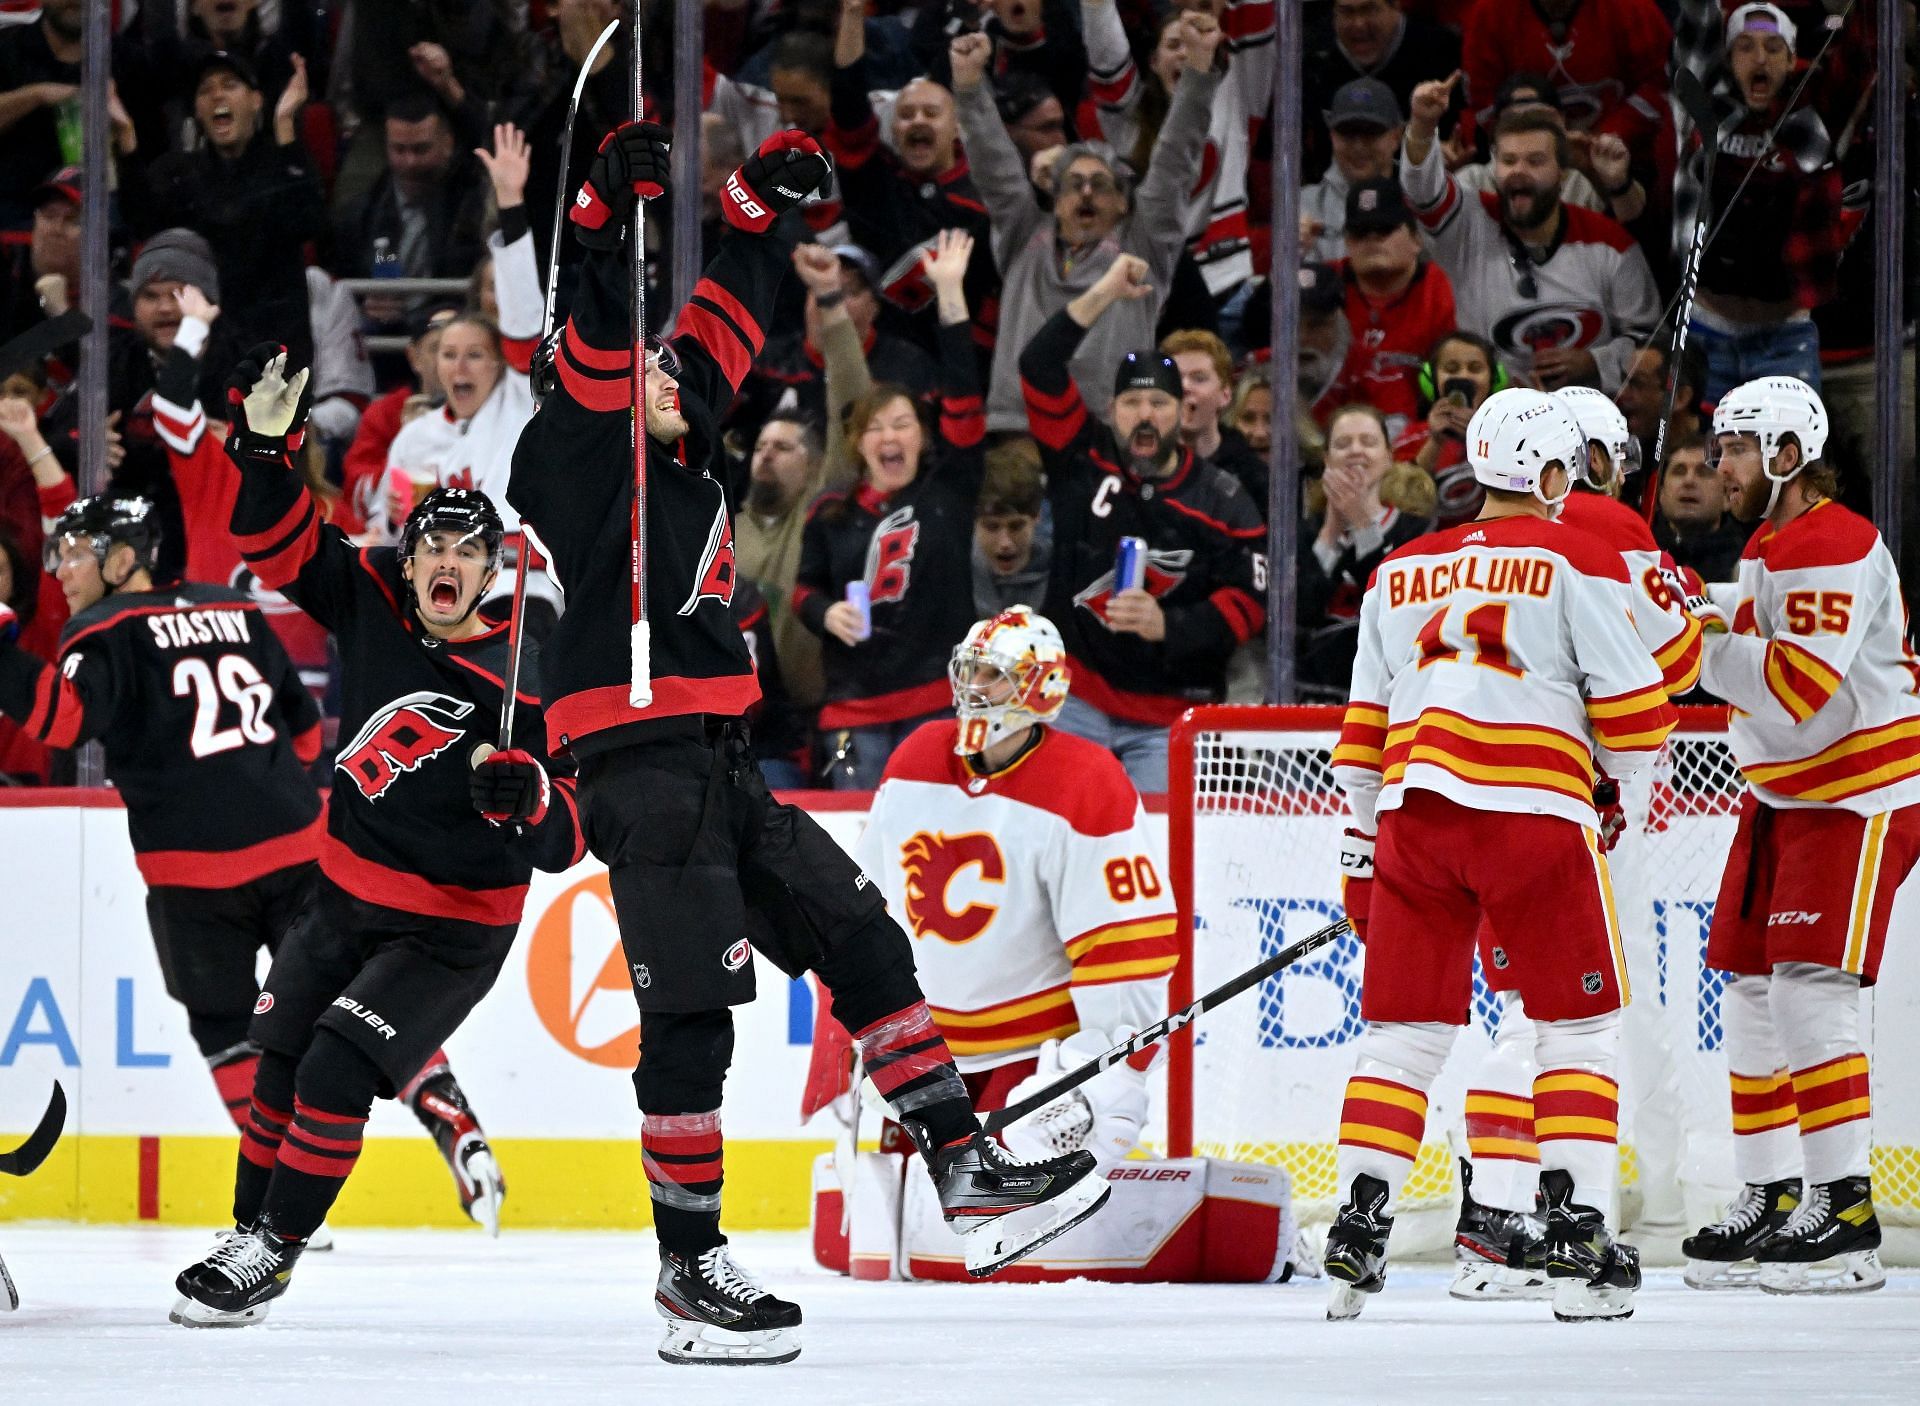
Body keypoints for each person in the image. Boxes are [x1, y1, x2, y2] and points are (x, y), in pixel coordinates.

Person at [507, 121, 1109, 1365]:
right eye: (649, 375)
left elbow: (719, 327)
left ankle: (963, 1161)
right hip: (636, 763)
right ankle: (689, 1266)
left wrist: (750, 217)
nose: (677, 380)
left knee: (861, 931)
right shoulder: (569, 452)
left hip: (722, 760)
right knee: (694, 1015)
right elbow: (601, 348)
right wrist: (590, 221)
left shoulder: (686, 451)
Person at [169, 356, 582, 1323]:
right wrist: (268, 451)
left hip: (451, 929)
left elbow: (570, 839)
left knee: (333, 1066)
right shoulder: (371, 595)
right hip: (343, 898)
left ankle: (275, 1249)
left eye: (464, 555)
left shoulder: (531, 674)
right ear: (409, 560)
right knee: (275, 1058)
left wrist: (527, 798)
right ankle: (246, 1238)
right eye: (431, 549)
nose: (445, 565)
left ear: (490, 573)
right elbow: (271, 541)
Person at [0, 494, 500, 1242]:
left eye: (73, 552)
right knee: (361, 1004)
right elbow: (304, 732)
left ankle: (273, 1206)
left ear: (122, 556)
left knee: (231, 1027)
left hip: (194, 868)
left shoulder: (100, 629)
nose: (60, 570)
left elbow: (62, 722)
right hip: (300, 841)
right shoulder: (231, 606)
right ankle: (443, 1103)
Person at [1326, 387, 1676, 1322]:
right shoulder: (1578, 553)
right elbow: (1641, 720)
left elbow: (1361, 741)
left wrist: (1360, 856)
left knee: (1402, 1037)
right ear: (1554, 473)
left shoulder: (1398, 568)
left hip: (1410, 817)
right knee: (1574, 1031)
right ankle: (1580, 1239)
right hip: (1530, 817)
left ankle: (1357, 1232)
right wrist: (1613, 792)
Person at [1677, 376, 1920, 1294]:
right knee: (1747, 992)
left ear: (1786, 454)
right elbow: (1742, 654)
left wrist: (1692, 638)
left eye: (1735, 448)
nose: (1716, 464)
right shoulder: (1772, 541)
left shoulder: (1831, 539)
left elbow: (1796, 690)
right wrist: (1685, 604)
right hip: (1783, 794)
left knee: (1809, 992)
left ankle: (1847, 1217)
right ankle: (1775, 1195)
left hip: (1855, 795)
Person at [807, 605, 1176, 1177]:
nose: (972, 688)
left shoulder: (1087, 780)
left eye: (992, 674)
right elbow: (864, 907)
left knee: (995, 1214)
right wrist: (849, 1020)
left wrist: (1109, 1074)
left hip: (1033, 1060)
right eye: (969, 671)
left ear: (1042, 686)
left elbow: (1125, 948)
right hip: (926, 1050)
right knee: (895, 1227)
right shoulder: (915, 758)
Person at [1018, 254, 1268, 791]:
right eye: (1132, 402)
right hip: (1074, 699)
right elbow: (1039, 363)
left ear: (1183, 413)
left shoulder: (1223, 499)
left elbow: (1251, 601)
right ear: (1111, 410)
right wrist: (1105, 291)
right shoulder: (1080, 459)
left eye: (1159, 401)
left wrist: (1170, 627)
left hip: (1169, 718)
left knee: (1156, 860)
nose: (1145, 414)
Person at [951, 17, 1223, 430]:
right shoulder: (1024, 235)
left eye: (1100, 184)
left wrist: (1199, 73)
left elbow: (1174, 163)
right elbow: (995, 166)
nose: (1086, 194)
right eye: (1073, 185)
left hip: (1106, 438)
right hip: (1017, 433)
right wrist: (969, 86)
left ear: (1123, 203)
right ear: (1054, 201)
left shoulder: (1144, 248)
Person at [795, 229, 989, 788]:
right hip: (852, 713)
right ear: (858, 444)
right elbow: (803, 590)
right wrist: (826, 613)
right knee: (860, 855)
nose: (890, 436)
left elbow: (963, 393)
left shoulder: (948, 490)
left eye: (903, 424)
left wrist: (949, 294)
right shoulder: (830, 511)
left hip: (936, 704)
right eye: (876, 427)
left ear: (924, 439)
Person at [1400, 73, 1659, 394]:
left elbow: (1650, 341)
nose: (1519, 171)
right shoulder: (1468, 223)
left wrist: (1594, 362)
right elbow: (1423, 193)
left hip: (1591, 418)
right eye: (1508, 161)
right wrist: (1423, 126)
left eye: (1535, 161)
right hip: (1491, 418)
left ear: (1562, 173)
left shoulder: (1609, 243)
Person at [382, 125, 546, 622]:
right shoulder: (415, 437)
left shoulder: (521, 399)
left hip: (522, 586)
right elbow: (390, 532)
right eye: (449, 354)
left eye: (474, 354)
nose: (460, 366)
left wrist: (510, 205)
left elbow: (522, 318)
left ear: (499, 361)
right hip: (442, 590)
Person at [120, 49, 323, 368]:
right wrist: (126, 138)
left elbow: (309, 221)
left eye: (229, 84)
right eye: (205, 90)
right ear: (197, 112)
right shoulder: (180, 172)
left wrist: (285, 124)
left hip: (274, 353)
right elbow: (143, 223)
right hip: (206, 350)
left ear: (256, 100)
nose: (217, 95)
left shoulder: (282, 162)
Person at [1686, 4, 1847, 400]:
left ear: (1793, 59)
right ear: (1726, 59)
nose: (1760, 58)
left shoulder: (1817, 116)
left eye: (1774, 48)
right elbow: (1693, 28)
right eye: (1745, 46)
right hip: (1707, 333)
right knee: (1705, 461)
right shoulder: (1700, 108)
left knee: (1792, 460)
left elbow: (1860, 56)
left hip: (1785, 338)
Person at [1082, 0, 1272, 301]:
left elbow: (1258, 22)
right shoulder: (1130, 122)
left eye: (1194, 43)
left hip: (1225, 286)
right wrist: (1097, 6)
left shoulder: (1237, 97)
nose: (1185, 52)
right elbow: (1107, 58)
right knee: (1134, 353)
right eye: (1174, 45)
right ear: (1154, 61)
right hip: (1146, 291)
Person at [1297, 403, 1433, 700]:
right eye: (1343, 444)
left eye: (1368, 442)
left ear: (1389, 456)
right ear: (1327, 460)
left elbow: (1395, 609)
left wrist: (1361, 524)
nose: (1355, 451)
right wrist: (1331, 531)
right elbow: (1300, 611)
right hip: (1312, 697)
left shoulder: (1416, 531)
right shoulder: (1304, 531)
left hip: (1386, 696)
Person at [1316, 179, 1458, 442]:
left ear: (1416, 240)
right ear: (1347, 241)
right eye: (1360, 232)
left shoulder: (1436, 289)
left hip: (1417, 435)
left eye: (1384, 230)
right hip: (1328, 436)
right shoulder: (1323, 285)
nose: (1371, 240)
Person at [1406, 328, 1509, 527]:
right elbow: (1402, 504)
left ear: (1495, 379)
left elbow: (1523, 486)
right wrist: (1435, 442)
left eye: (1475, 368)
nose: (1463, 377)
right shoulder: (1411, 437)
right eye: (1452, 369)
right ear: (1431, 379)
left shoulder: (1512, 433)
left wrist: (1482, 438)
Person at [1302, 77, 1406, 266]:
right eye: (1347, 132)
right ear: (1332, 136)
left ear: (1396, 136)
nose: (1358, 146)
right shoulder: (1304, 205)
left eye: (1370, 132)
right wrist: (1294, 255)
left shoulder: (1421, 201)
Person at [1160, 329, 1266, 498]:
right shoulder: (1139, 467)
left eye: (1199, 378)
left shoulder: (1252, 477)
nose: (1185, 386)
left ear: (1225, 395)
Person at [972, 438, 1050, 618]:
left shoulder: (1062, 575)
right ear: (973, 521)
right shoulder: (952, 574)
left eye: (1016, 526)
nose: (1005, 542)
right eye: (992, 527)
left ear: (1037, 516)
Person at [1654, 435, 1744, 585]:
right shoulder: (1638, 554)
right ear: (1661, 494)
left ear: (1727, 497)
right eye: (1679, 471)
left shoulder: (1745, 567)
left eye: (1704, 473)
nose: (1689, 481)